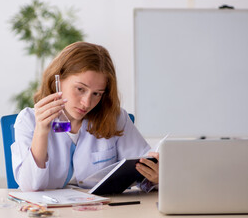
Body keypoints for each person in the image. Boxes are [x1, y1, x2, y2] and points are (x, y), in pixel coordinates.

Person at [11, 41, 159, 192]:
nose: (87, 102)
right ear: (58, 80)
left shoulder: (116, 118)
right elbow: (29, 187)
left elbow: (144, 173)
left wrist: (155, 177)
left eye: (97, 94)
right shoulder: (29, 120)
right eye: (80, 89)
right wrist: (41, 131)